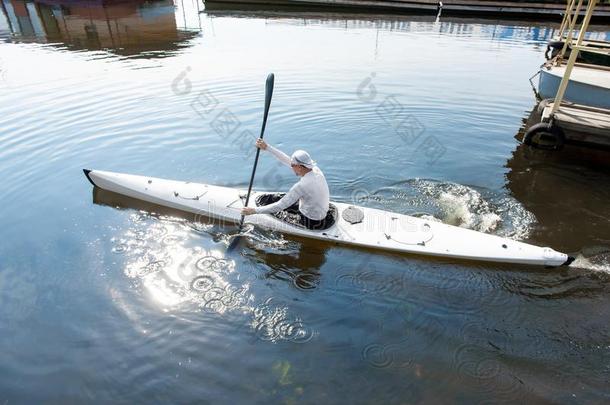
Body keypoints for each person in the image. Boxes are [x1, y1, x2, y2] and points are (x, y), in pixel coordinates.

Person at [241, 139, 331, 230]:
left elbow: (280, 205)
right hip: (321, 213)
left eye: (292, 166)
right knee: (279, 198)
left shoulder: (302, 185)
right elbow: (287, 160)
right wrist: (267, 147)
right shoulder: (315, 169)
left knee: (278, 207)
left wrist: (253, 211)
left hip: (310, 220)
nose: (291, 167)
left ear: (299, 167)